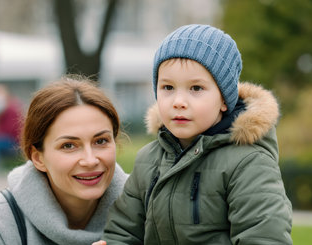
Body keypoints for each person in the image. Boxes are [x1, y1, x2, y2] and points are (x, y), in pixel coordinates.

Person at [98, 24, 293, 244]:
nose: (179, 102)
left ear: (223, 100)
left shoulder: (248, 163)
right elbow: (123, 231)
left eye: (196, 89)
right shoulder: (148, 160)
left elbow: (264, 237)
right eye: (168, 88)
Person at [0, 76, 129, 244]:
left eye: (101, 141)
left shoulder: (148, 207)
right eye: (68, 145)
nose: (90, 160)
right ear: (38, 158)